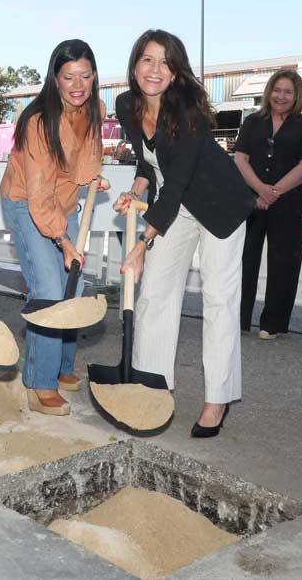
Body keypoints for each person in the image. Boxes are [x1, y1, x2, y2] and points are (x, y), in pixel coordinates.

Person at [113, 29, 254, 438]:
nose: (155, 70)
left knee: (219, 301)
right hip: (176, 206)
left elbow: (175, 183)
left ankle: (218, 399)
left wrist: (141, 244)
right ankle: (152, 385)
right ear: (135, 64)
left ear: (176, 72)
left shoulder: (188, 112)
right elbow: (147, 163)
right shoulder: (127, 105)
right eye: (147, 60)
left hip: (219, 206)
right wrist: (136, 188)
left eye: (165, 62)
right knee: (155, 292)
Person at [0, 39, 108, 417]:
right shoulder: (37, 121)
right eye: (68, 77)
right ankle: (38, 383)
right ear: (55, 79)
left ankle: (61, 369)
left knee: (73, 287)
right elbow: (39, 192)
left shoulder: (96, 109)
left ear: (94, 76)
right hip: (26, 202)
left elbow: (88, 158)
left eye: (85, 75)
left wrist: (95, 177)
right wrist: (62, 240)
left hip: (65, 200)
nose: (78, 84)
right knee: (48, 289)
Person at [234, 70, 302, 340]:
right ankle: (238, 319)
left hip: (289, 202)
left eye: (288, 92)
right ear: (269, 91)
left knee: (284, 262)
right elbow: (240, 158)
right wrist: (260, 189)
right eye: (277, 90)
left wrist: (275, 192)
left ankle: (273, 323)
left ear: (296, 96)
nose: (281, 96)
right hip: (251, 200)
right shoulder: (252, 122)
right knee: (244, 260)